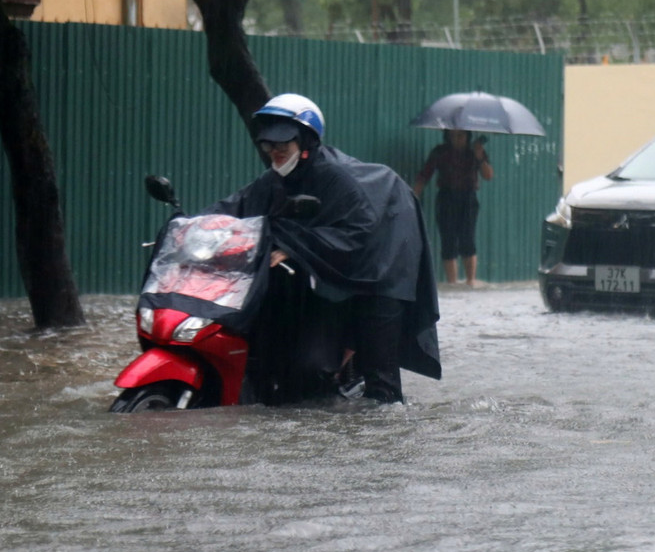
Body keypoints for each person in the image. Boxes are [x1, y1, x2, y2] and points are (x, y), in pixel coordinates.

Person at [203, 93, 441, 404]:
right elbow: (235, 208)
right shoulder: (274, 180)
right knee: (305, 368)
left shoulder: (336, 178)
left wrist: (294, 246)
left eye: (283, 144)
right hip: (333, 273)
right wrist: (191, 228)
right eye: (269, 145)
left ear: (306, 142)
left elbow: (359, 232)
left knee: (380, 384)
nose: (275, 151)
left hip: (383, 266)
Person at [412, 129, 494, 287]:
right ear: (447, 136)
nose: (457, 139)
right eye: (453, 136)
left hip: (468, 198)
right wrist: (413, 196)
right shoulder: (440, 152)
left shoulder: (475, 151)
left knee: (467, 238)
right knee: (448, 240)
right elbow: (424, 175)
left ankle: (470, 280)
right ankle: (452, 283)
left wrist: (479, 156)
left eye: (461, 135)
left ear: (467, 136)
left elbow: (488, 175)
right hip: (446, 197)